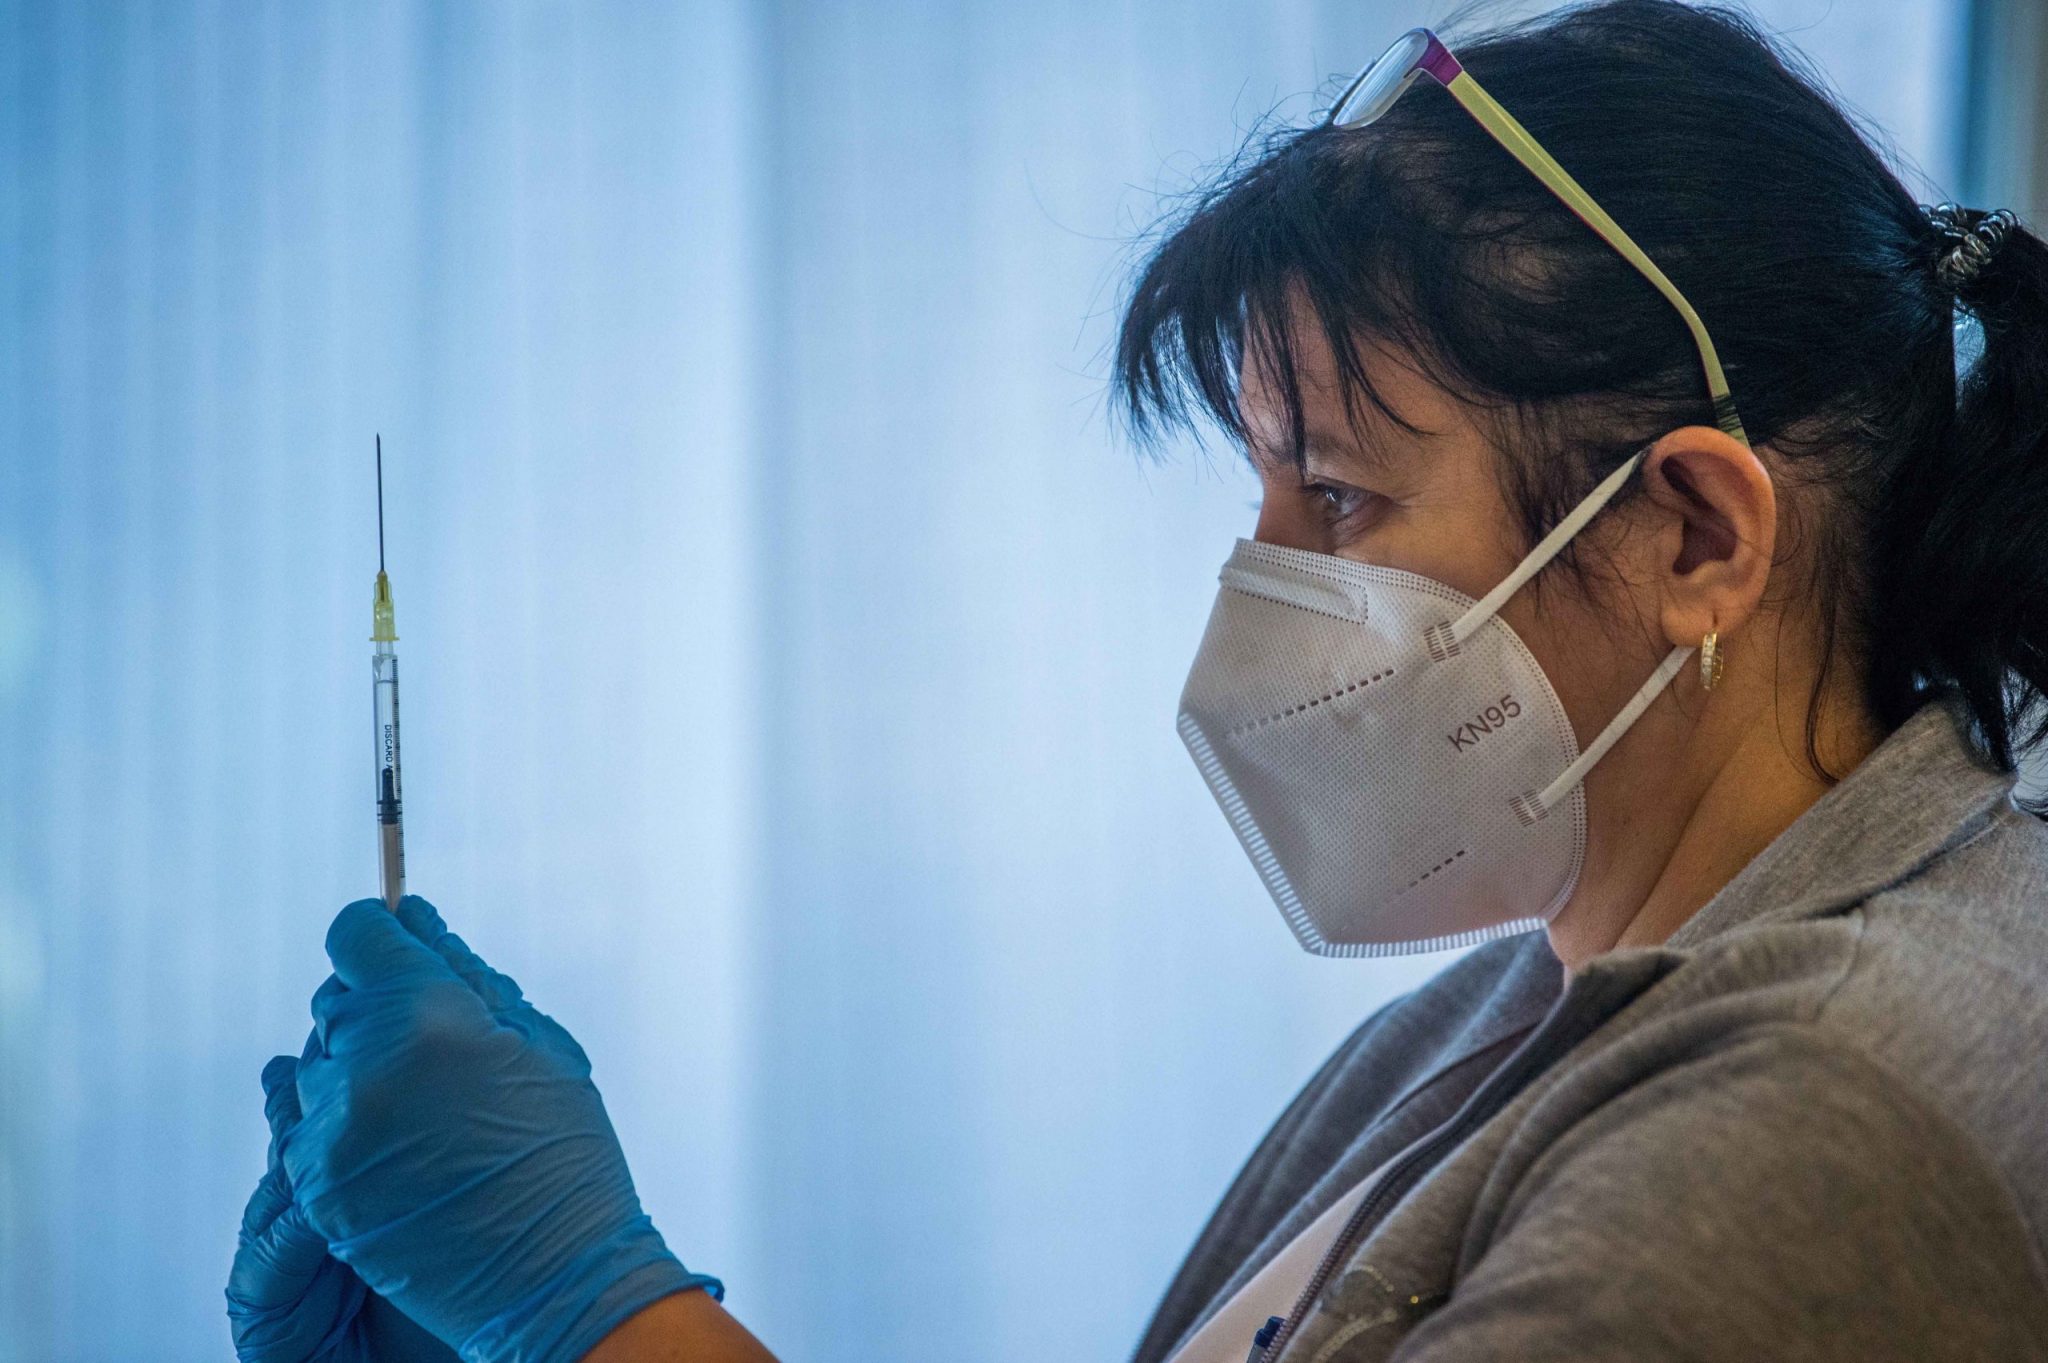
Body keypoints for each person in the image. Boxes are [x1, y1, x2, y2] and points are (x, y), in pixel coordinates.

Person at [226, 1, 2048, 1359]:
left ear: (1694, 537)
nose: (1263, 593)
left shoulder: (1821, 1118)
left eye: (1340, 497)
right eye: (1261, 497)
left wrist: (591, 1313)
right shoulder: (1546, 986)